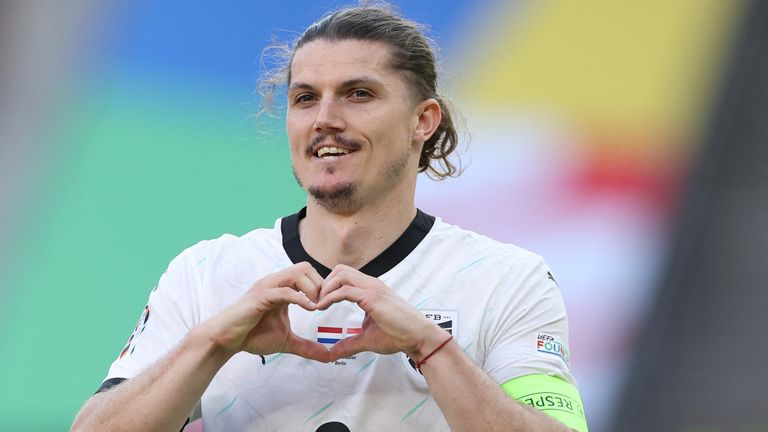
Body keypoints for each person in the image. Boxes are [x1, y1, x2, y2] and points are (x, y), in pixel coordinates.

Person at [72, 4, 587, 432]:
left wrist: (429, 346)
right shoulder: (206, 273)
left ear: (423, 121)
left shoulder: (507, 280)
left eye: (358, 94)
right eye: (305, 99)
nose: (325, 120)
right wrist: (212, 344)